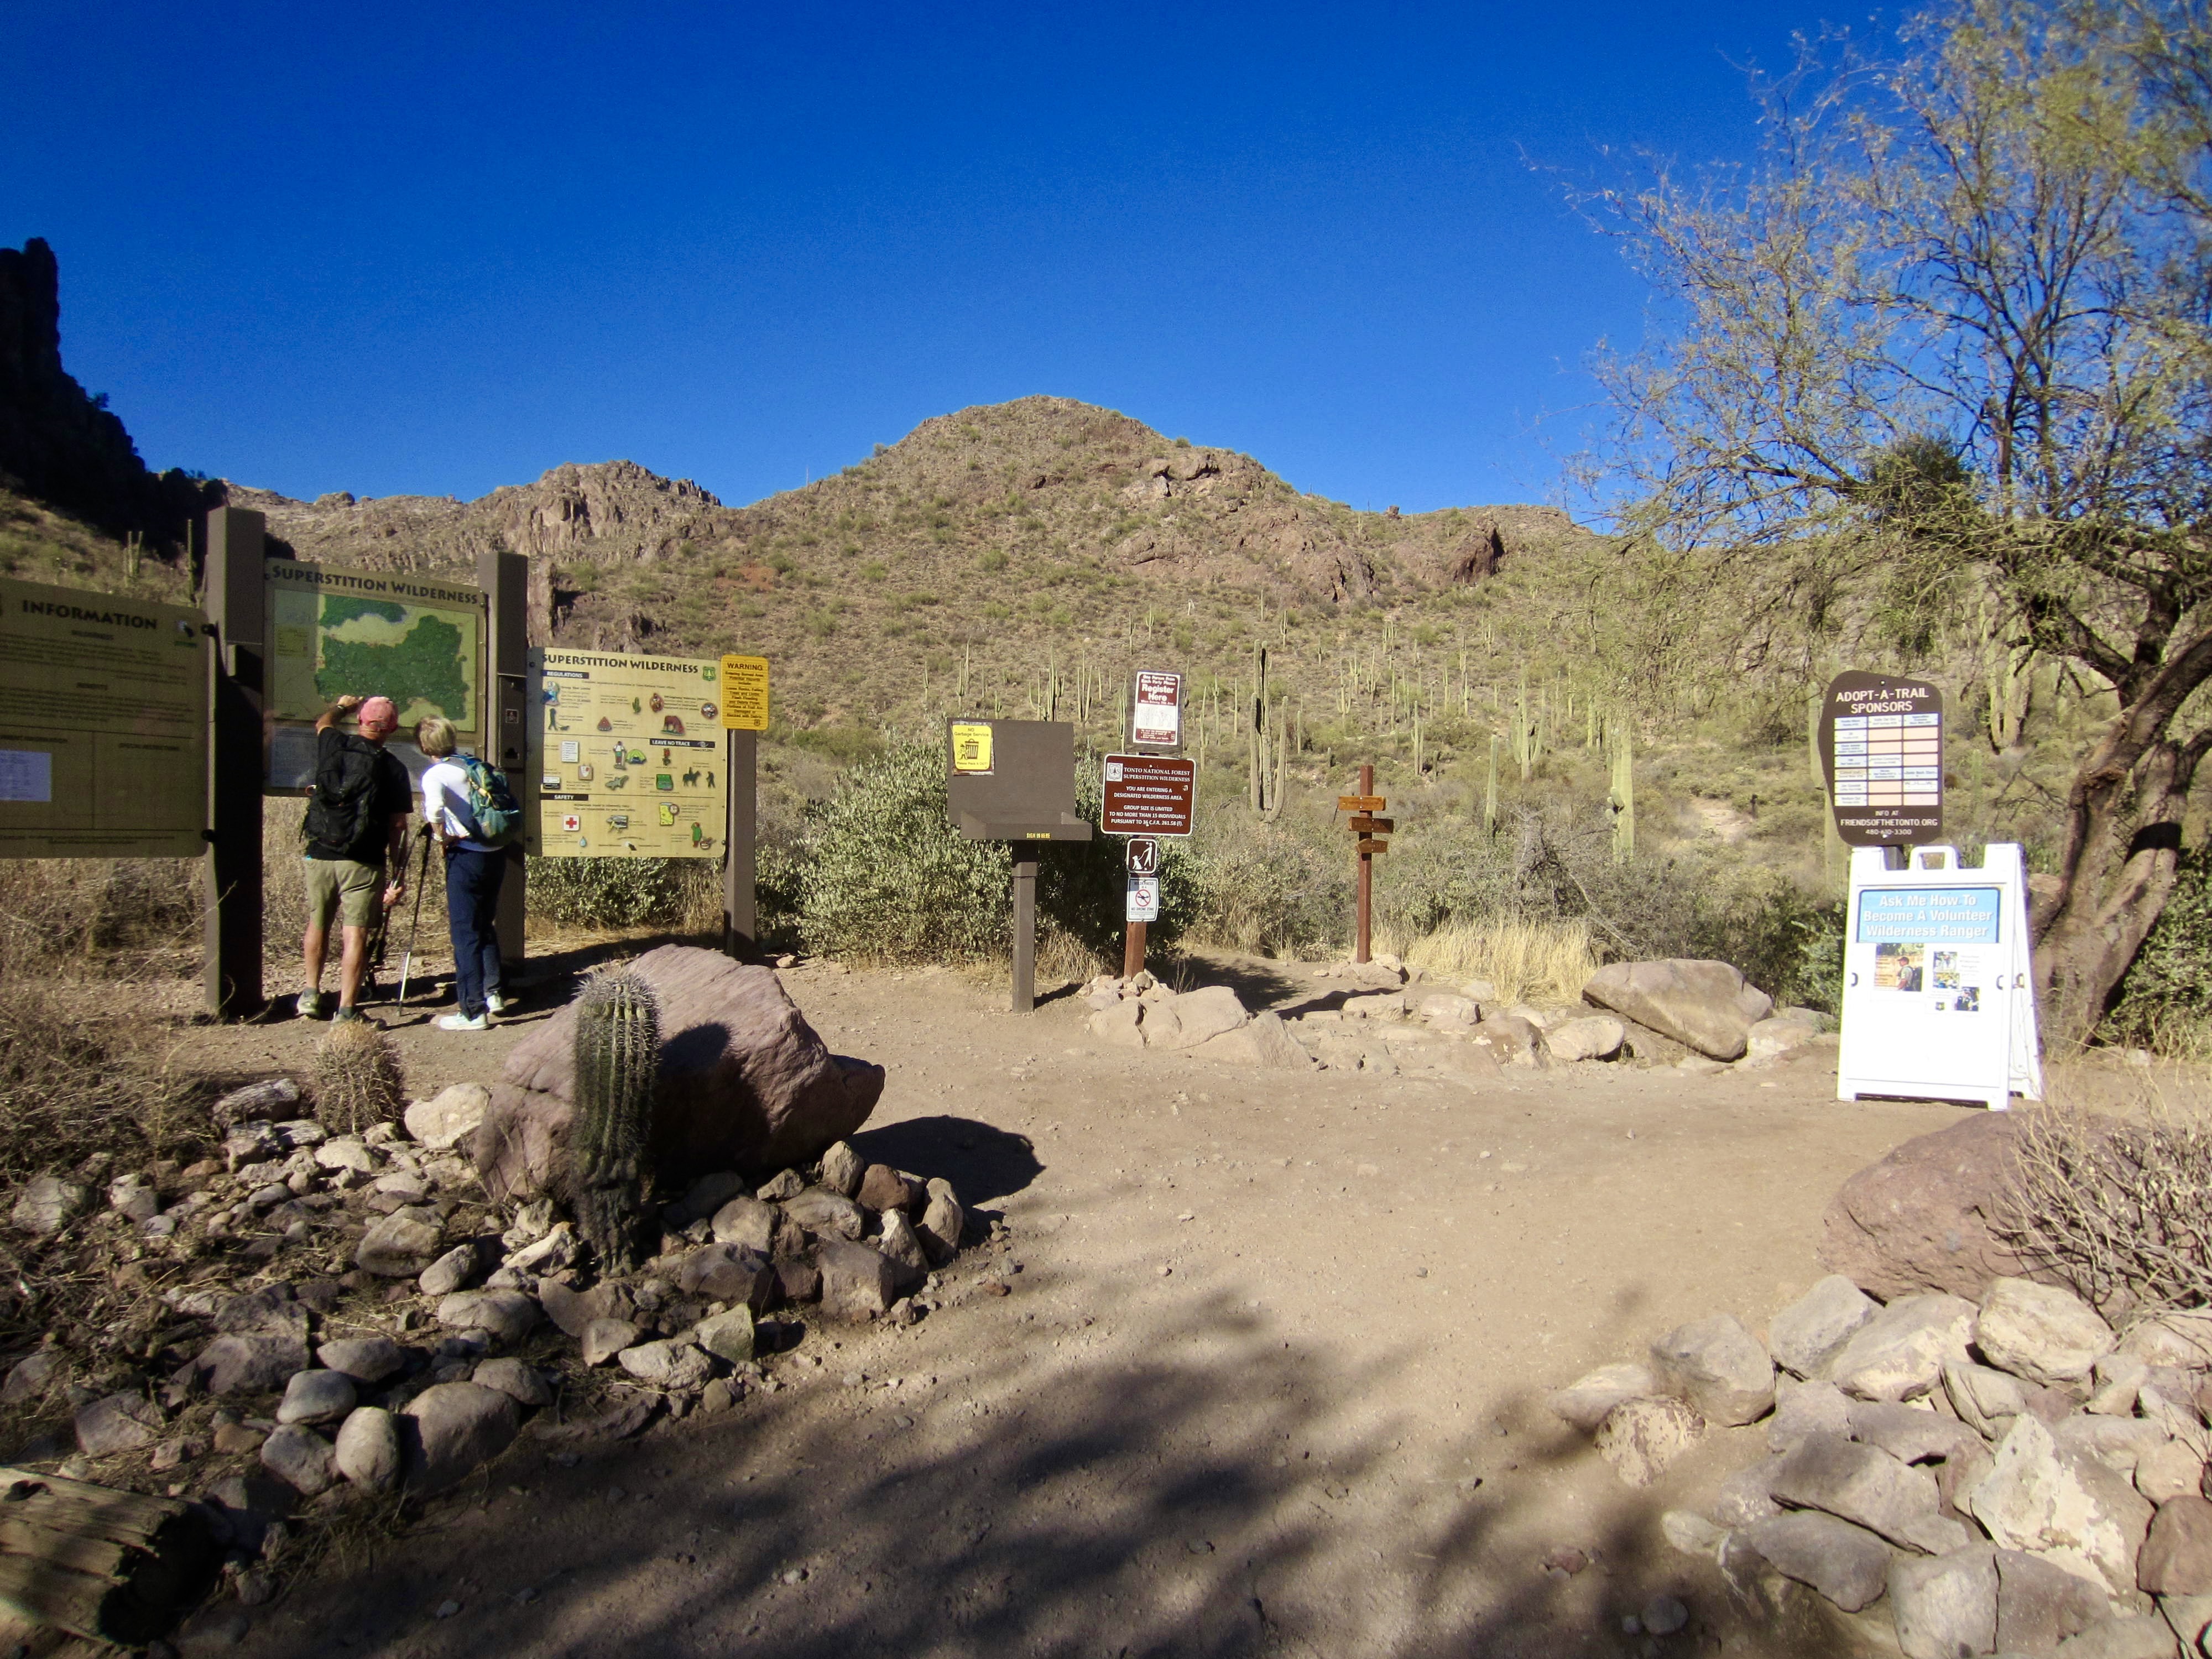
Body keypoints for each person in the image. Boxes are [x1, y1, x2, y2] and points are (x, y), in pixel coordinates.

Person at [299, 694, 413, 1021]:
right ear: (392, 729)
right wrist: (398, 871)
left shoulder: (334, 744)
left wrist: (342, 707)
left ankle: (310, 995)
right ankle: (347, 1009)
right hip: (364, 860)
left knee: (318, 922)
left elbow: (323, 723)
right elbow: (398, 825)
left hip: (320, 852)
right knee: (356, 933)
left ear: (361, 721)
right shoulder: (393, 767)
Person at [415, 716, 509, 1031]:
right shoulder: (473, 765)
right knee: (484, 924)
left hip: (466, 855)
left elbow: (434, 810)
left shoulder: (436, 774)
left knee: (465, 934)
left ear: (425, 746)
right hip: (494, 853)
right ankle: (493, 993)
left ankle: (472, 1011)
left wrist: (441, 837)